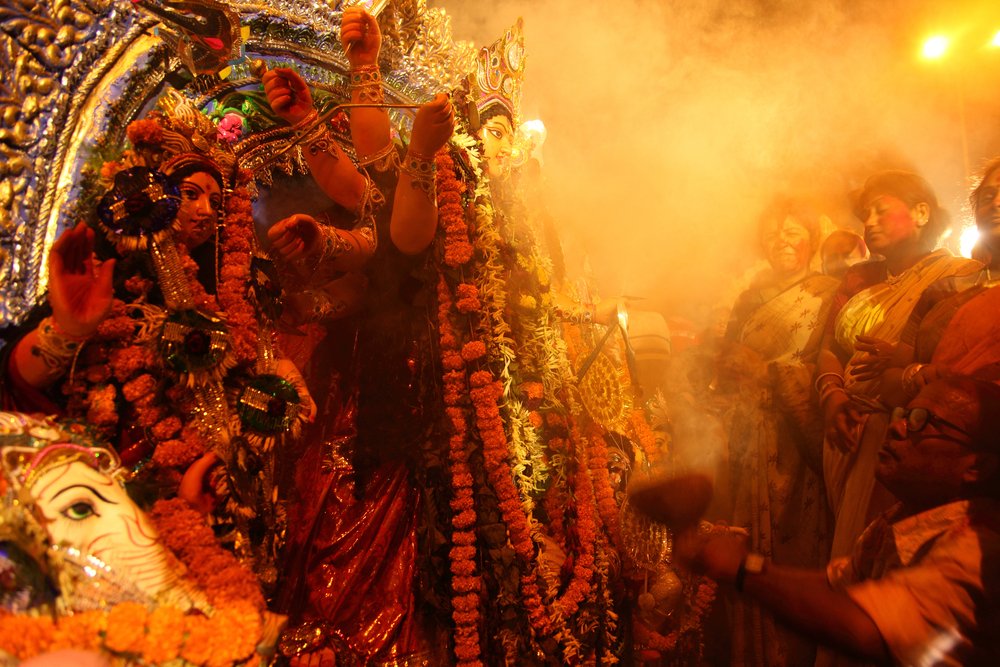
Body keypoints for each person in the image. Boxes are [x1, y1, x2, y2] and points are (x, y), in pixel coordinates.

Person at [676, 376, 1000, 666]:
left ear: (978, 466)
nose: (896, 426)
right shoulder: (900, 521)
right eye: (902, 413)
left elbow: (867, 628)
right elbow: (836, 585)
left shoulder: (976, 547)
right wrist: (746, 564)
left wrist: (743, 570)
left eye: (921, 421)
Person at [814, 170, 980, 558]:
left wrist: (908, 358)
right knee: (847, 550)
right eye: (864, 215)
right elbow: (828, 346)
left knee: (882, 554)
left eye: (880, 211)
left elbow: (960, 361)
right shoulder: (859, 277)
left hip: (907, 433)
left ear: (921, 212)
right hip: (844, 432)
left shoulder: (957, 276)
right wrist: (832, 397)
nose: (868, 222)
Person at [722, 197, 838, 666]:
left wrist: (770, 372)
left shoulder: (831, 293)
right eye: (773, 232)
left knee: (802, 549)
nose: (781, 240)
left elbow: (832, 364)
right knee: (750, 542)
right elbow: (727, 366)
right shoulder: (750, 299)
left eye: (792, 231)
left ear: (811, 239)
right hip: (752, 438)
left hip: (802, 437)